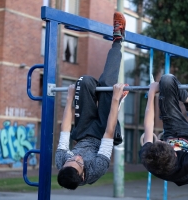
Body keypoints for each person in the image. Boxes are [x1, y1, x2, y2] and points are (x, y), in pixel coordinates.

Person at [55, 12, 127, 190]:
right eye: (78, 162)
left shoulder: (62, 162)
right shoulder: (97, 169)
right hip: (103, 133)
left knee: (84, 81)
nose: (76, 158)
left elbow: (65, 129)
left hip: (83, 131)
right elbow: (109, 134)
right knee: (107, 85)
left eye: (71, 159)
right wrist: (115, 100)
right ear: (82, 175)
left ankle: (108, 97)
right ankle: (118, 39)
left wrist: (70, 96)